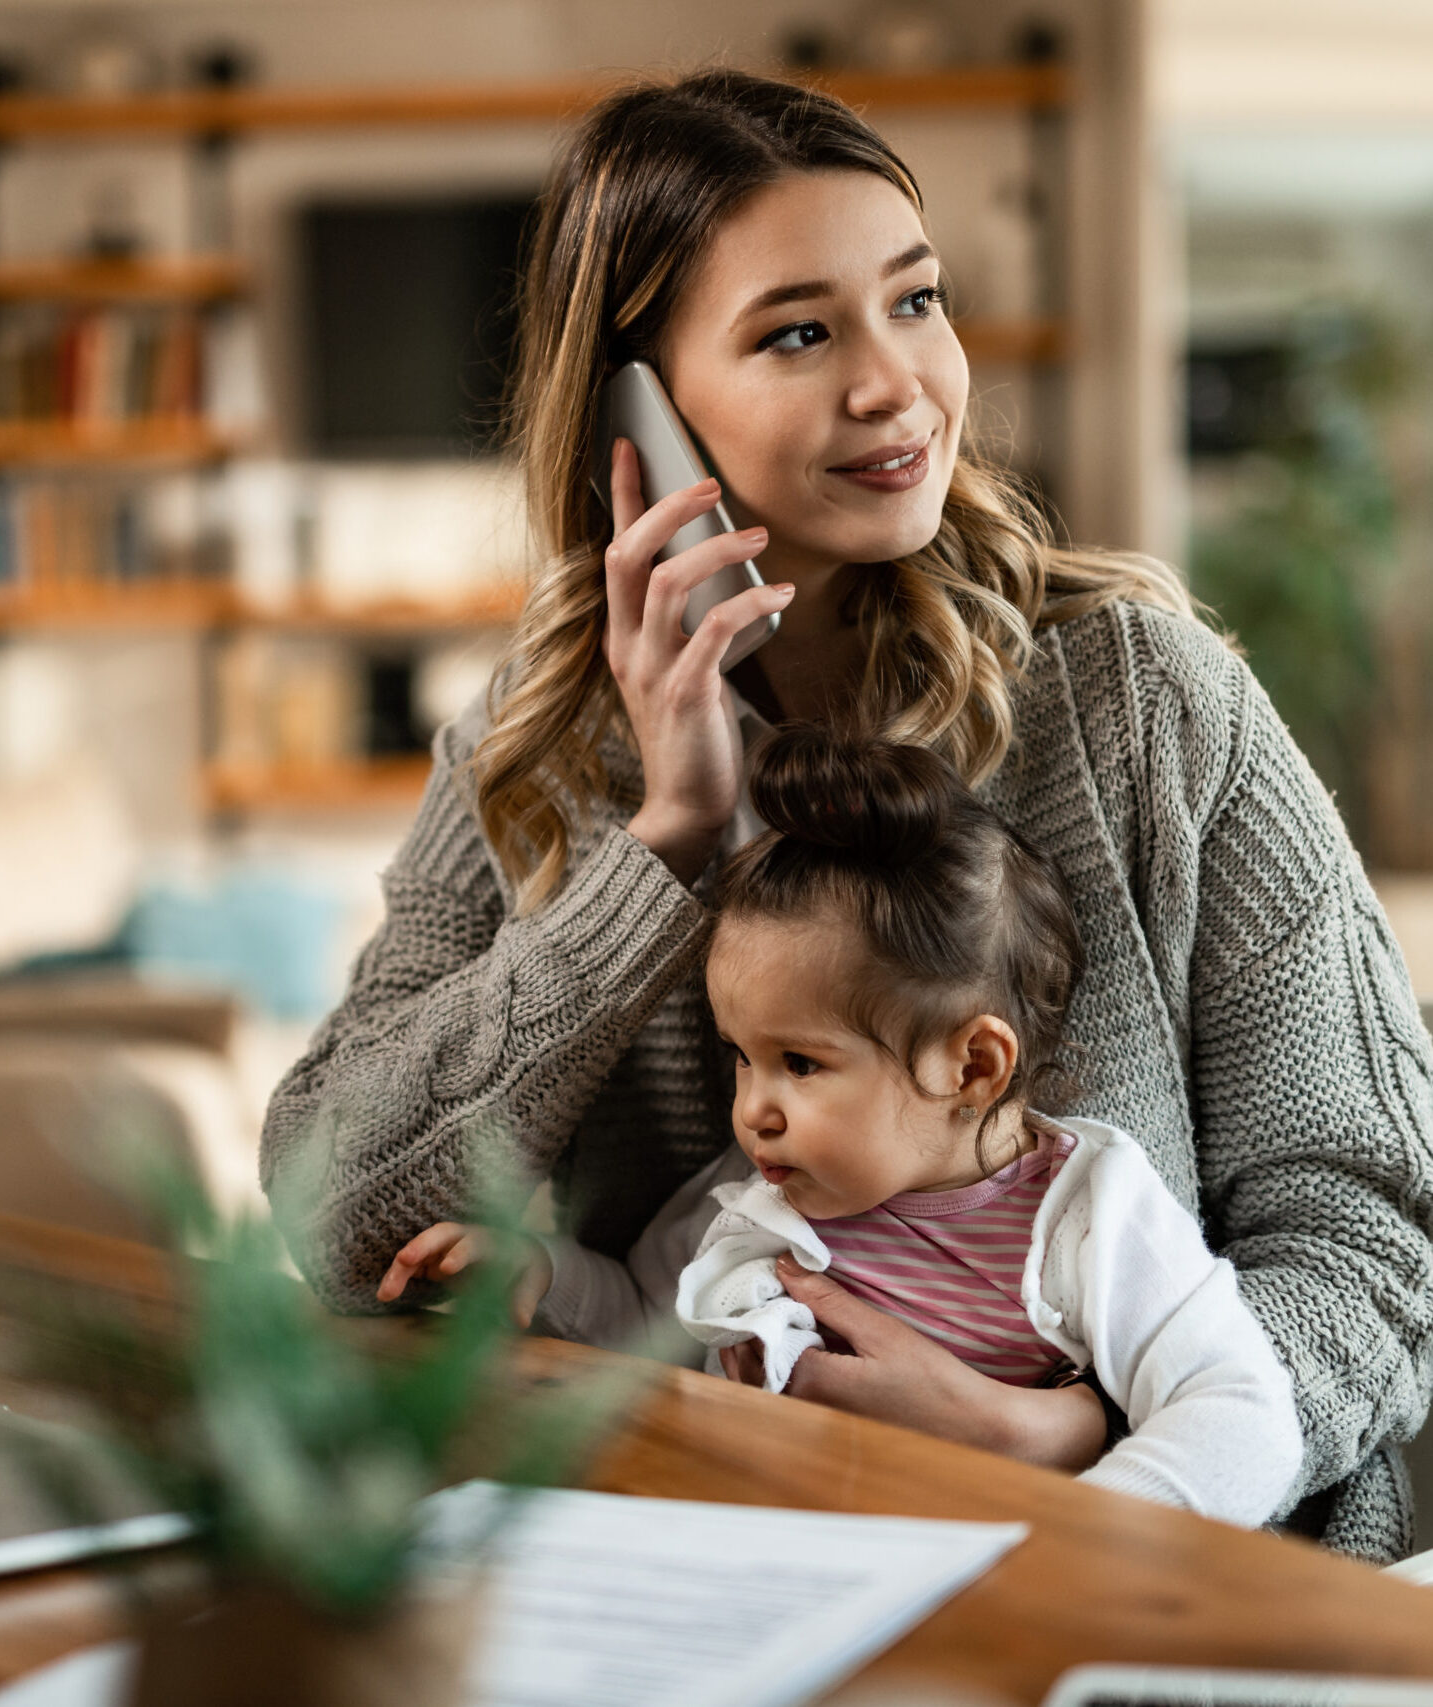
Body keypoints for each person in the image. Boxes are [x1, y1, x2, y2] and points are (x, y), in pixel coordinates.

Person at [262, 68, 1433, 1559]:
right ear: (643, 413)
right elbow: (333, 1217)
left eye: (915, 300)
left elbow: (1372, 1231)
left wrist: (1077, 1433)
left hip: (1177, 1571)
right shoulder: (530, 755)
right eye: (797, 331)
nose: (896, 384)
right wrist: (663, 845)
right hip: (737, 1557)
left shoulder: (1140, 695)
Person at [378, 729, 1306, 1528]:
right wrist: (540, 1276)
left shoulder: (1089, 1215)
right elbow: (643, 1325)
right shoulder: (761, 1198)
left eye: (802, 1064)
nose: (753, 1108)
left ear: (972, 1066)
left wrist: (1089, 1533)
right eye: (742, 1055)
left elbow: (1240, 1410)